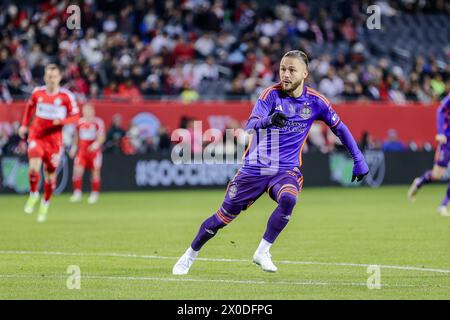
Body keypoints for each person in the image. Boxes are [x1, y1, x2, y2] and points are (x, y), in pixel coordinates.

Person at [172, 50, 369, 275]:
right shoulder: (270, 95)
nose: (285, 74)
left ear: (305, 73)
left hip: (286, 169)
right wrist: (268, 120)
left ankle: (263, 251)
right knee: (221, 219)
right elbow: (251, 123)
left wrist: (358, 158)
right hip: (255, 168)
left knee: (288, 199)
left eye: (291, 70)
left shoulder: (316, 102)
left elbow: (340, 128)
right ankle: (189, 255)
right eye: (283, 69)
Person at [19, 64, 80, 222]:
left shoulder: (66, 97)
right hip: (37, 136)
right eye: (48, 76)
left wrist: (62, 120)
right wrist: (25, 125)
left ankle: (45, 203)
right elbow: (29, 108)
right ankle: (33, 194)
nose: (51, 79)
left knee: (50, 175)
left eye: (54, 76)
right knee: (34, 166)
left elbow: (75, 117)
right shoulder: (38, 93)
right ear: (45, 77)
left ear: (59, 77)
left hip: (54, 141)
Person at [407, 93, 450, 217]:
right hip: (446, 141)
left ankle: (443, 206)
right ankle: (419, 182)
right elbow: (440, 110)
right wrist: (441, 132)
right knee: (437, 175)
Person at [69, 103, 105, 204]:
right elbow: (76, 137)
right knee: (77, 172)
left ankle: (94, 194)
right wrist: (73, 148)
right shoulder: (79, 123)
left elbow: (101, 136)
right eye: (86, 110)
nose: (88, 113)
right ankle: (77, 193)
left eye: (89, 110)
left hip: (94, 152)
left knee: (95, 173)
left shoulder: (98, 122)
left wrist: (96, 144)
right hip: (82, 152)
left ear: (93, 111)